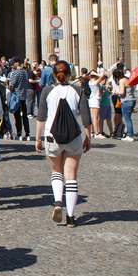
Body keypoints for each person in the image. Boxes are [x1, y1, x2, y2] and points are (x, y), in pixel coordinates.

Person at [36, 60, 92, 227]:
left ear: (53, 74)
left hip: (51, 137)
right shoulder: (78, 90)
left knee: (56, 173)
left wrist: (38, 138)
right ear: (69, 75)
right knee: (71, 177)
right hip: (73, 137)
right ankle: (71, 216)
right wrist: (88, 137)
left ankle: (58, 201)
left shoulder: (47, 91)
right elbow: (86, 117)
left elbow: (41, 117)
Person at [8, 58, 30, 141]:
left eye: (14, 63)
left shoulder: (16, 72)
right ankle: (27, 133)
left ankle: (19, 133)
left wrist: (10, 90)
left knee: (17, 116)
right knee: (24, 116)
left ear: (17, 63)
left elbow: (12, 84)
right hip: (23, 96)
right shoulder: (25, 72)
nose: (13, 65)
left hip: (16, 96)